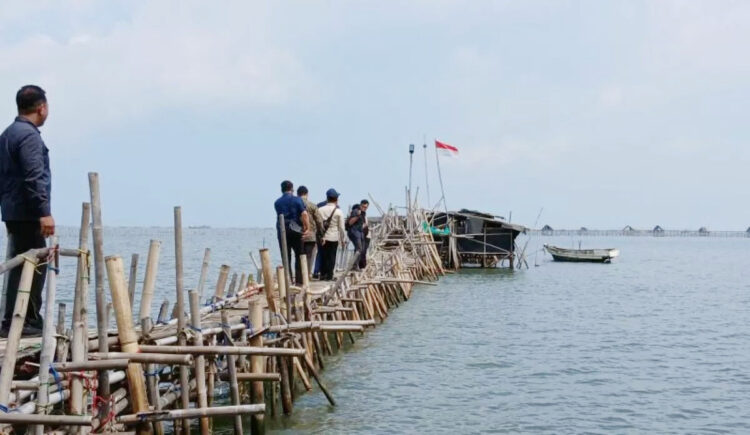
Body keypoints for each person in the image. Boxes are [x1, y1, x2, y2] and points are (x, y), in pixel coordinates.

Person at [0, 85, 54, 338]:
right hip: (27, 212)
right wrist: (44, 211)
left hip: (13, 210)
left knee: (20, 265)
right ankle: (26, 320)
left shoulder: (9, 133)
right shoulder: (29, 136)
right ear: (41, 108)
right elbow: (34, 177)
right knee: (35, 264)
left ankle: (13, 319)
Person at [274, 180, 309, 285]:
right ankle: (299, 281)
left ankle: (288, 280)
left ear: (281, 190)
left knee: (286, 256)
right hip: (296, 228)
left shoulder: (277, 202)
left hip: (282, 230)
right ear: (292, 189)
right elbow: (304, 214)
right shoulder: (298, 200)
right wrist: (307, 228)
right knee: (299, 255)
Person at [317, 188, 345, 281]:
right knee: (332, 256)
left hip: (323, 237)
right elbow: (341, 227)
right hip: (333, 237)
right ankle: (329, 275)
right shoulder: (338, 211)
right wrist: (343, 239)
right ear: (336, 199)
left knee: (323, 255)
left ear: (327, 198)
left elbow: (318, 224)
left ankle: (322, 274)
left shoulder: (320, 210)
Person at [297, 185, 322, 279]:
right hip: (310, 235)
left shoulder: (295, 204)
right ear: (307, 194)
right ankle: (307, 275)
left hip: (298, 234)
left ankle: (299, 277)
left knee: (299, 256)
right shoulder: (312, 205)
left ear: (297, 194)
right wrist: (320, 233)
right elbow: (319, 220)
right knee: (309, 257)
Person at [346, 203, 366, 269]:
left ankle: (355, 265)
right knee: (359, 248)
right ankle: (354, 265)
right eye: (363, 206)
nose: (365, 208)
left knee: (359, 249)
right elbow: (350, 222)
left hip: (359, 233)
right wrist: (358, 215)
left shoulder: (362, 213)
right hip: (355, 232)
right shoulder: (356, 211)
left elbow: (362, 224)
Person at [359, 199, 371, 269]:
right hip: (361, 235)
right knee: (361, 251)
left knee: (364, 251)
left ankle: (363, 266)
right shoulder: (358, 213)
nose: (364, 208)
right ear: (360, 205)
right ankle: (361, 266)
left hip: (366, 235)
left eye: (366, 207)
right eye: (363, 207)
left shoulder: (365, 214)